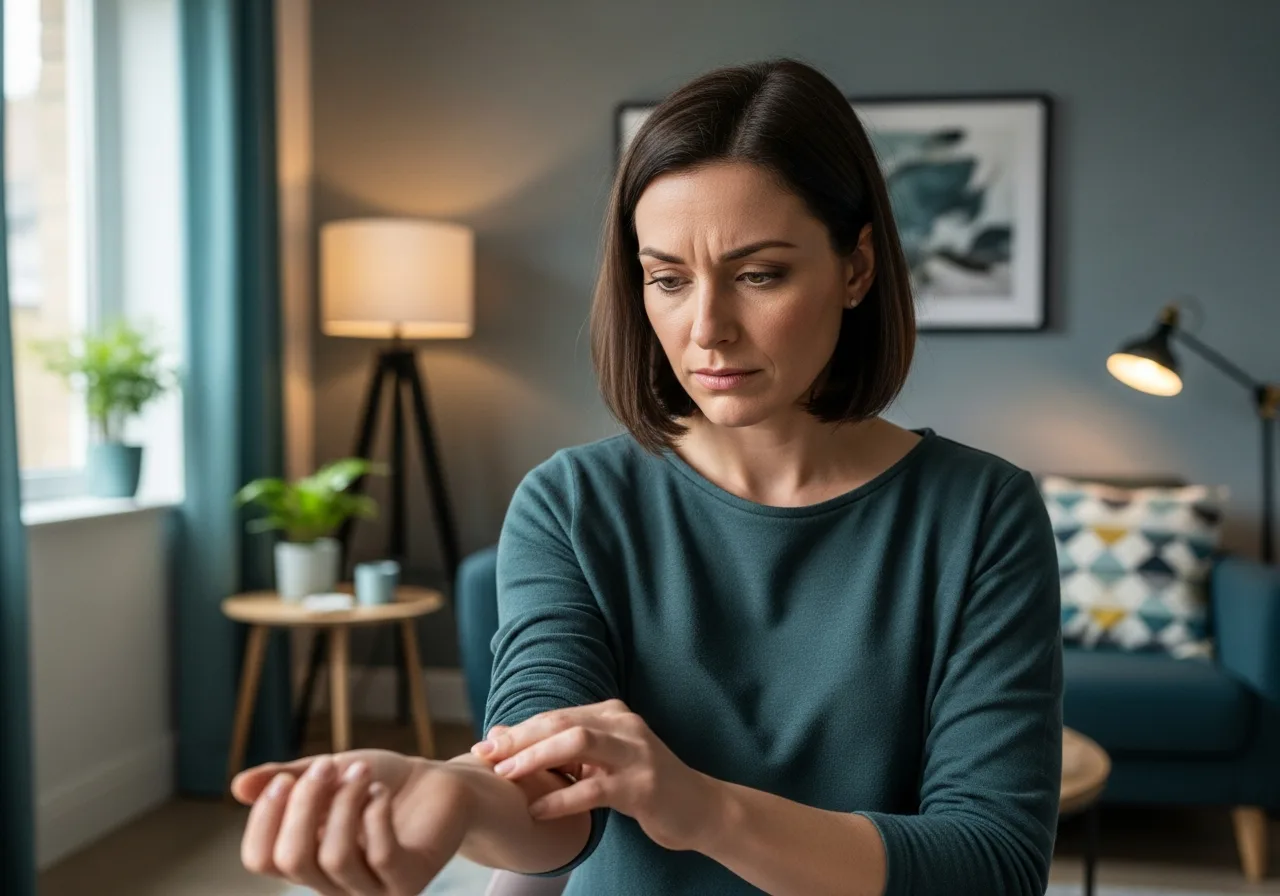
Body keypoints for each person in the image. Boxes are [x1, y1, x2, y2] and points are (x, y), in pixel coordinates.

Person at [231, 57, 1063, 896]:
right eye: (667, 279)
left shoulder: (981, 512)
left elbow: (991, 866)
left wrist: (703, 808)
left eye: (758, 274)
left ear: (857, 268)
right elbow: (546, 784)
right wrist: (453, 790)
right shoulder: (570, 503)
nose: (707, 329)